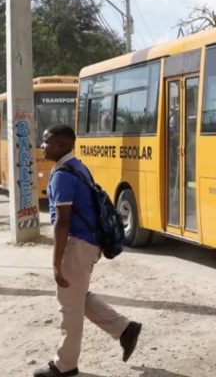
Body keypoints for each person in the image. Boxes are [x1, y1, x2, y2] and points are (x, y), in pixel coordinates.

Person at [35, 124, 141, 377]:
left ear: (61, 145)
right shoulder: (77, 167)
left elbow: (62, 222)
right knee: (79, 297)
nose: (42, 146)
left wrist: (56, 263)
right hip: (88, 244)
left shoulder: (62, 175)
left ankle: (65, 366)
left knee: (69, 307)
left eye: (46, 142)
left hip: (76, 245)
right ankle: (125, 329)